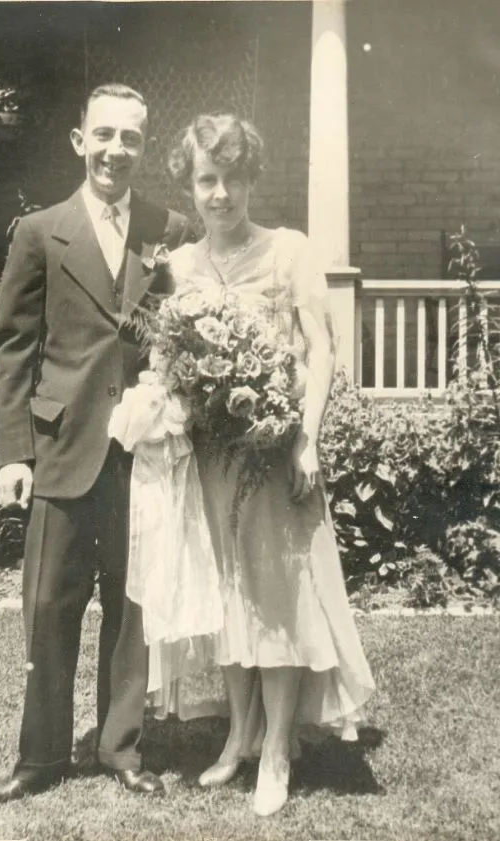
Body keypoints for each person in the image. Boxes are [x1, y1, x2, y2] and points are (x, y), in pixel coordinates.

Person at [137, 113, 376, 817]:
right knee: (225, 595)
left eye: (233, 179)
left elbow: (322, 349)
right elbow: (165, 356)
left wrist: (308, 437)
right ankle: (239, 734)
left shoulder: (288, 250)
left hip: (273, 455)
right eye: (207, 180)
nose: (220, 195)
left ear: (251, 181)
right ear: (190, 184)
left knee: (274, 598)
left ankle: (277, 749)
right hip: (211, 458)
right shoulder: (179, 266)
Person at [0, 83, 192, 805]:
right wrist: (14, 451)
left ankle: (120, 746)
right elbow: (14, 348)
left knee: (131, 605)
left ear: (143, 146)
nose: (115, 150)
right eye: (103, 135)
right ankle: (39, 757)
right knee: (48, 604)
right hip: (62, 445)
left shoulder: (169, 229)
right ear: (80, 141)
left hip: (140, 449)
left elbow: (185, 332)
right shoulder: (40, 232)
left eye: (129, 138)